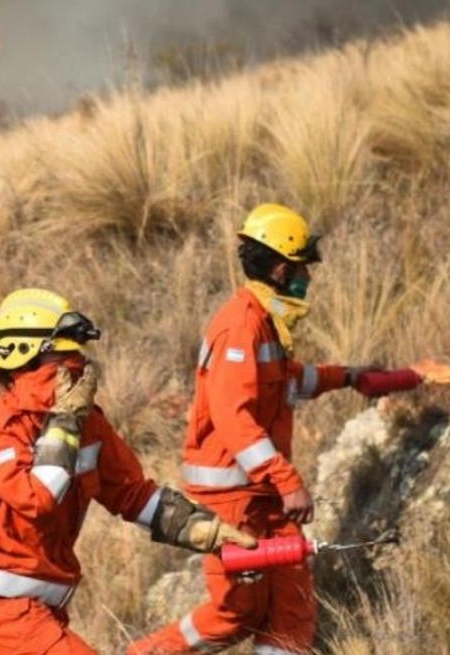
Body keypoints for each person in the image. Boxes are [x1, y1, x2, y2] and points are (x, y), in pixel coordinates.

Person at [127, 204, 395, 655]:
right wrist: (288, 481)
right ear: (278, 267)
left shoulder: (265, 322)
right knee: (236, 613)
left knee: (293, 607)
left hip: (264, 495)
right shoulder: (240, 327)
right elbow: (236, 420)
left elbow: (288, 379)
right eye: (301, 268)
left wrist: (346, 376)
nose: (308, 278)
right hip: (232, 501)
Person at [0, 288, 259, 655]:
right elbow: (38, 499)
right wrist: (65, 423)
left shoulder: (88, 425)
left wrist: (210, 533)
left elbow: (134, 496)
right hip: (1, 607)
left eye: (78, 357)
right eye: (64, 358)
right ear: (24, 360)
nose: (78, 368)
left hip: (46, 605)